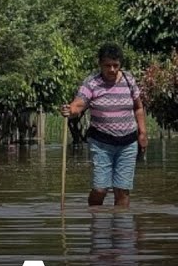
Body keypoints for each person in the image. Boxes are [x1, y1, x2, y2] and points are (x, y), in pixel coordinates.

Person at [60, 43, 148, 207]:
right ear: (100, 64)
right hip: (101, 143)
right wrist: (69, 109)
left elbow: (138, 107)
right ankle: (97, 224)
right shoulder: (92, 83)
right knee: (100, 189)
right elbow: (78, 105)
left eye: (116, 65)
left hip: (128, 143)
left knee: (122, 190)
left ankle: (121, 229)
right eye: (108, 65)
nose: (112, 69)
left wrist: (142, 133)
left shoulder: (129, 80)